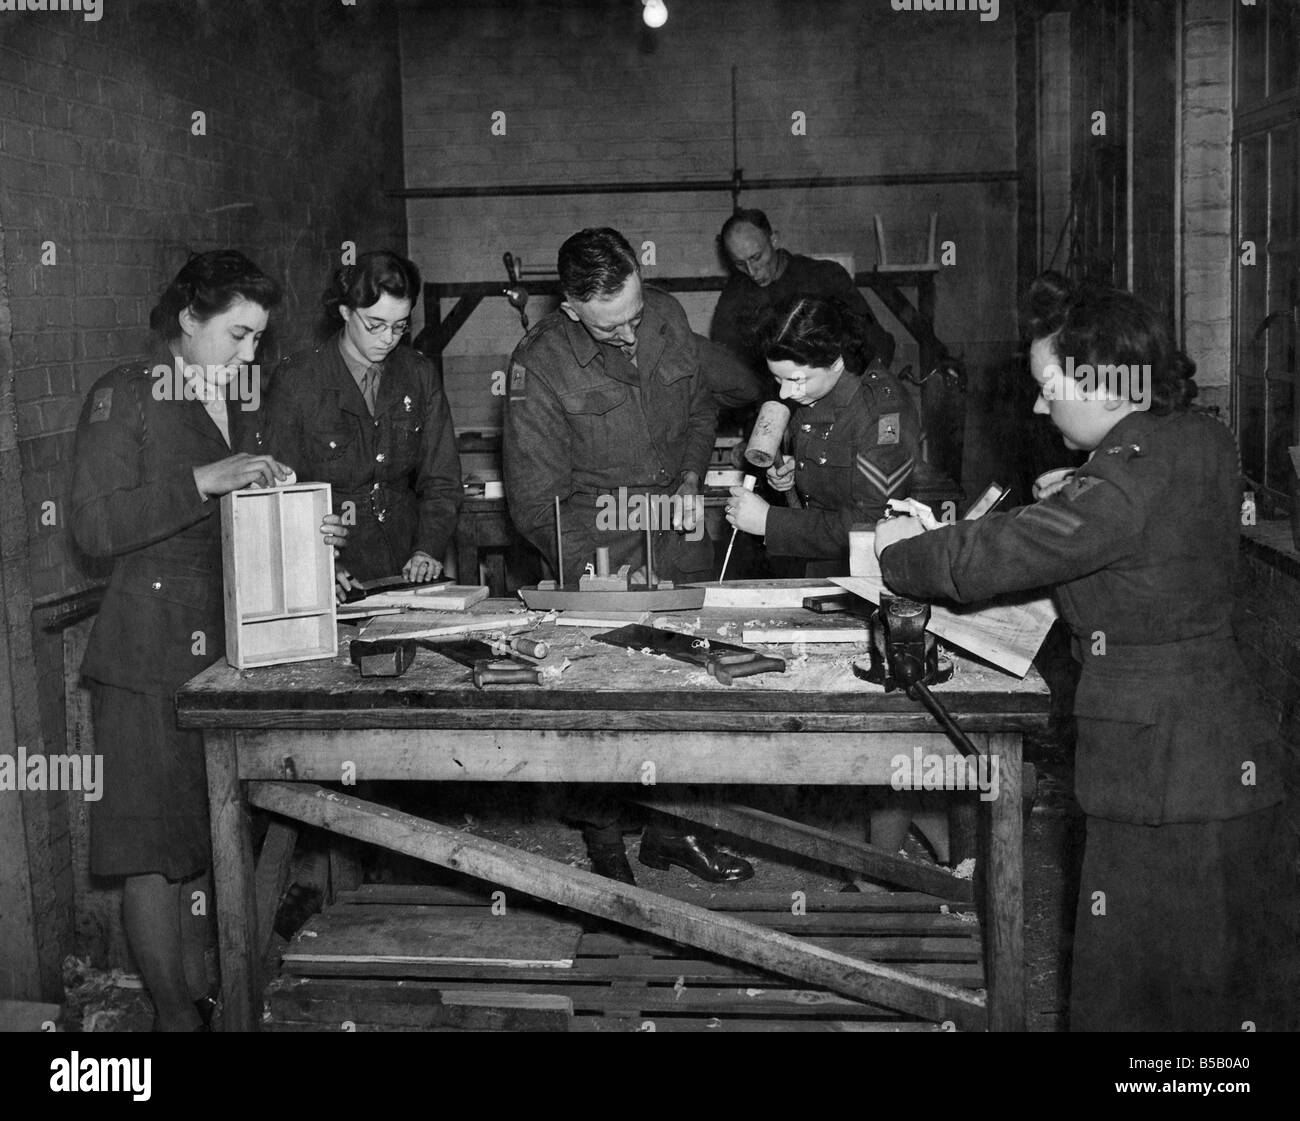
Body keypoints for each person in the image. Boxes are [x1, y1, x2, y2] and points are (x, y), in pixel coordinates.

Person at [874, 272, 1299, 1031]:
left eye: (1048, 385)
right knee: (1226, 985)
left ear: (1104, 384)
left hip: (1161, 772)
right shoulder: (1198, 433)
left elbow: (989, 557)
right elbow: (1152, 519)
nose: (1039, 404)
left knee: (1138, 997)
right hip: (1220, 750)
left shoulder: (1120, 485)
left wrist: (900, 554)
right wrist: (1082, 481)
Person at [71, 250, 347, 1031]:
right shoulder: (124, 395)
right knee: (153, 855)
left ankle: (209, 995)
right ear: (188, 321)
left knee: (213, 841)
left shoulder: (242, 402)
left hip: (227, 654)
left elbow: (247, 523)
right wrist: (205, 479)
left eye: (258, 339)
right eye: (235, 335)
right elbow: (92, 527)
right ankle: (175, 1019)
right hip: (145, 660)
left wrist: (308, 528)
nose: (248, 355)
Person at [502, 226, 752, 885]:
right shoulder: (538, 364)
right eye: (611, 328)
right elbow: (535, 502)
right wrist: (602, 579)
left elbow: (700, 403)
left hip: (672, 530)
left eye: (635, 316)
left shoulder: (666, 312)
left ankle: (671, 835)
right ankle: (607, 850)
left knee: (685, 695)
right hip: (594, 542)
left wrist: (694, 476)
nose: (632, 336)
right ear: (571, 308)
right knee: (600, 708)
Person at [266, 250, 462, 597]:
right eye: (375, 325)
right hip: (334, 574)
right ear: (345, 311)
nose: (388, 338)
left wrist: (427, 548)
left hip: (407, 570)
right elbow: (283, 495)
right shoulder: (297, 380)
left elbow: (442, 481)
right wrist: (322, 561)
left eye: (400, 327)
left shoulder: (418, 375)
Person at [725, 295, 922, 577]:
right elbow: (831, 452)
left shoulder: (883, 414)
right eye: (777, 379)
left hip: (873, 576)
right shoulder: (813, 391)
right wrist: (803, 469)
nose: (783, 394)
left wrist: (770, 522)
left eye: (794, 380)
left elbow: (872, 527)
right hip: (821, 565)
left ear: (837, 362)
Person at [711, 208, 895, 377]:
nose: (752, 271)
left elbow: (873, 341)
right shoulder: (734, 296)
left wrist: (864, 385)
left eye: (756, 257)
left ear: (774, 239)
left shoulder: (824, 277)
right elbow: (725, 359)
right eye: (740, 264)